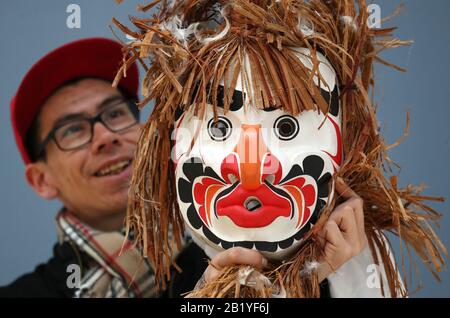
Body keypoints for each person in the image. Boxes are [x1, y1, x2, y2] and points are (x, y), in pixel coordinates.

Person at [116, 0, 446, 298]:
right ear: (170, 147)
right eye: (219, 128)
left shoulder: (370, 275)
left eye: (286, 128)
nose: (251, 167)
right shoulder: (160, 281)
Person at [0, 37, 207, 298]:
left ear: (144, 130)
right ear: (42, 180)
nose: (105, 137)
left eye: (114, 113)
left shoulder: (239, 256)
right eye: (73, 129)